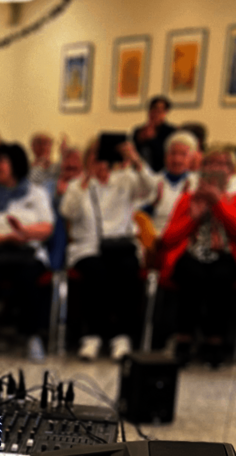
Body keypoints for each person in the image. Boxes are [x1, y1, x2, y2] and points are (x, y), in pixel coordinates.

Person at [60, 140, 155, 360]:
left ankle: (121, 336)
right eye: (94, 157)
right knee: (95, 272)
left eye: (103, 157)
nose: (100, 162)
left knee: (128, 269)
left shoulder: (126, 179)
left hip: (120, 245)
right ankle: (92, 335)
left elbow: (150, 188)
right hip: (88, 248)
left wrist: (134, 158)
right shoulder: (78, 185)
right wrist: (86, 179)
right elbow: (68, 211)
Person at [0, 143, 54, 361]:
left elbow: (47, 227)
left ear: (15, 165)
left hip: (28, 252)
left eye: (1, 162)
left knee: (29, 277)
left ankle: (32, 336)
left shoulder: (37, 194)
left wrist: (24, 232)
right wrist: (6, 237)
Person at [161, 147, 236, 368]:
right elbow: (168, 238)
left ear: (230, 171)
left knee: (221, 276)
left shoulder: (232, 199)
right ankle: (184, 339)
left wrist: (218, 203)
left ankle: (215, 341)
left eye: (221, 164)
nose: (216, 168)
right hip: (191, 254)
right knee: (191, 273)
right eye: (210, 163)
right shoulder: (187, 198)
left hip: (224, 255)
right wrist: (192, 217)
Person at [143, 131, 199, 236]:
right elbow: (138, 217)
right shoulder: (153, 181)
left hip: (186, 238)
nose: (177, 160)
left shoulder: (197, 183)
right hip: (155, 237)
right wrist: (153, 204)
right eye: (173, 153)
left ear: (191, 158)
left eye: (183, 154)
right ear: (165, 156)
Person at [132, 96, 177, 173]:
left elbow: (166, 156)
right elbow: (134, 154)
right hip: (139, 172)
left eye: (159, 111)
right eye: (153, 109)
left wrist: (153, 139)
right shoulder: (138, 131)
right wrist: (139, 141)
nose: (155, 113)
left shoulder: (171, 132)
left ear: (165, 113)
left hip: (161, 173)